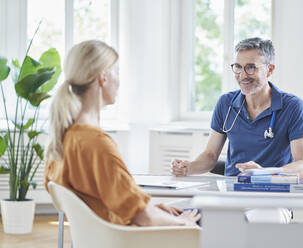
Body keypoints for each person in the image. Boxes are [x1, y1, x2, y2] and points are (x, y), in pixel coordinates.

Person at [44, 40, 200, 226]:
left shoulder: (64, 138)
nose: (119, 81)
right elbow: (143, 218)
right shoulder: (95, 142)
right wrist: (184, 223)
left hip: (107, 235)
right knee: (207, 218)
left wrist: (148, 205)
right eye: (116, 72)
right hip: (127, 238)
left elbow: (109, 200)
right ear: (103, 77)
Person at [172, 37, 303, 179]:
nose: (242, 75)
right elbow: (210, 155)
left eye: (251, 67)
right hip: (232, 191)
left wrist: (265, 173)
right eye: (238, 67)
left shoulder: (293, 107)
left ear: (269, 70)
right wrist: (188, 167)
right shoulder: (226, 103)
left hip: (274, 190)